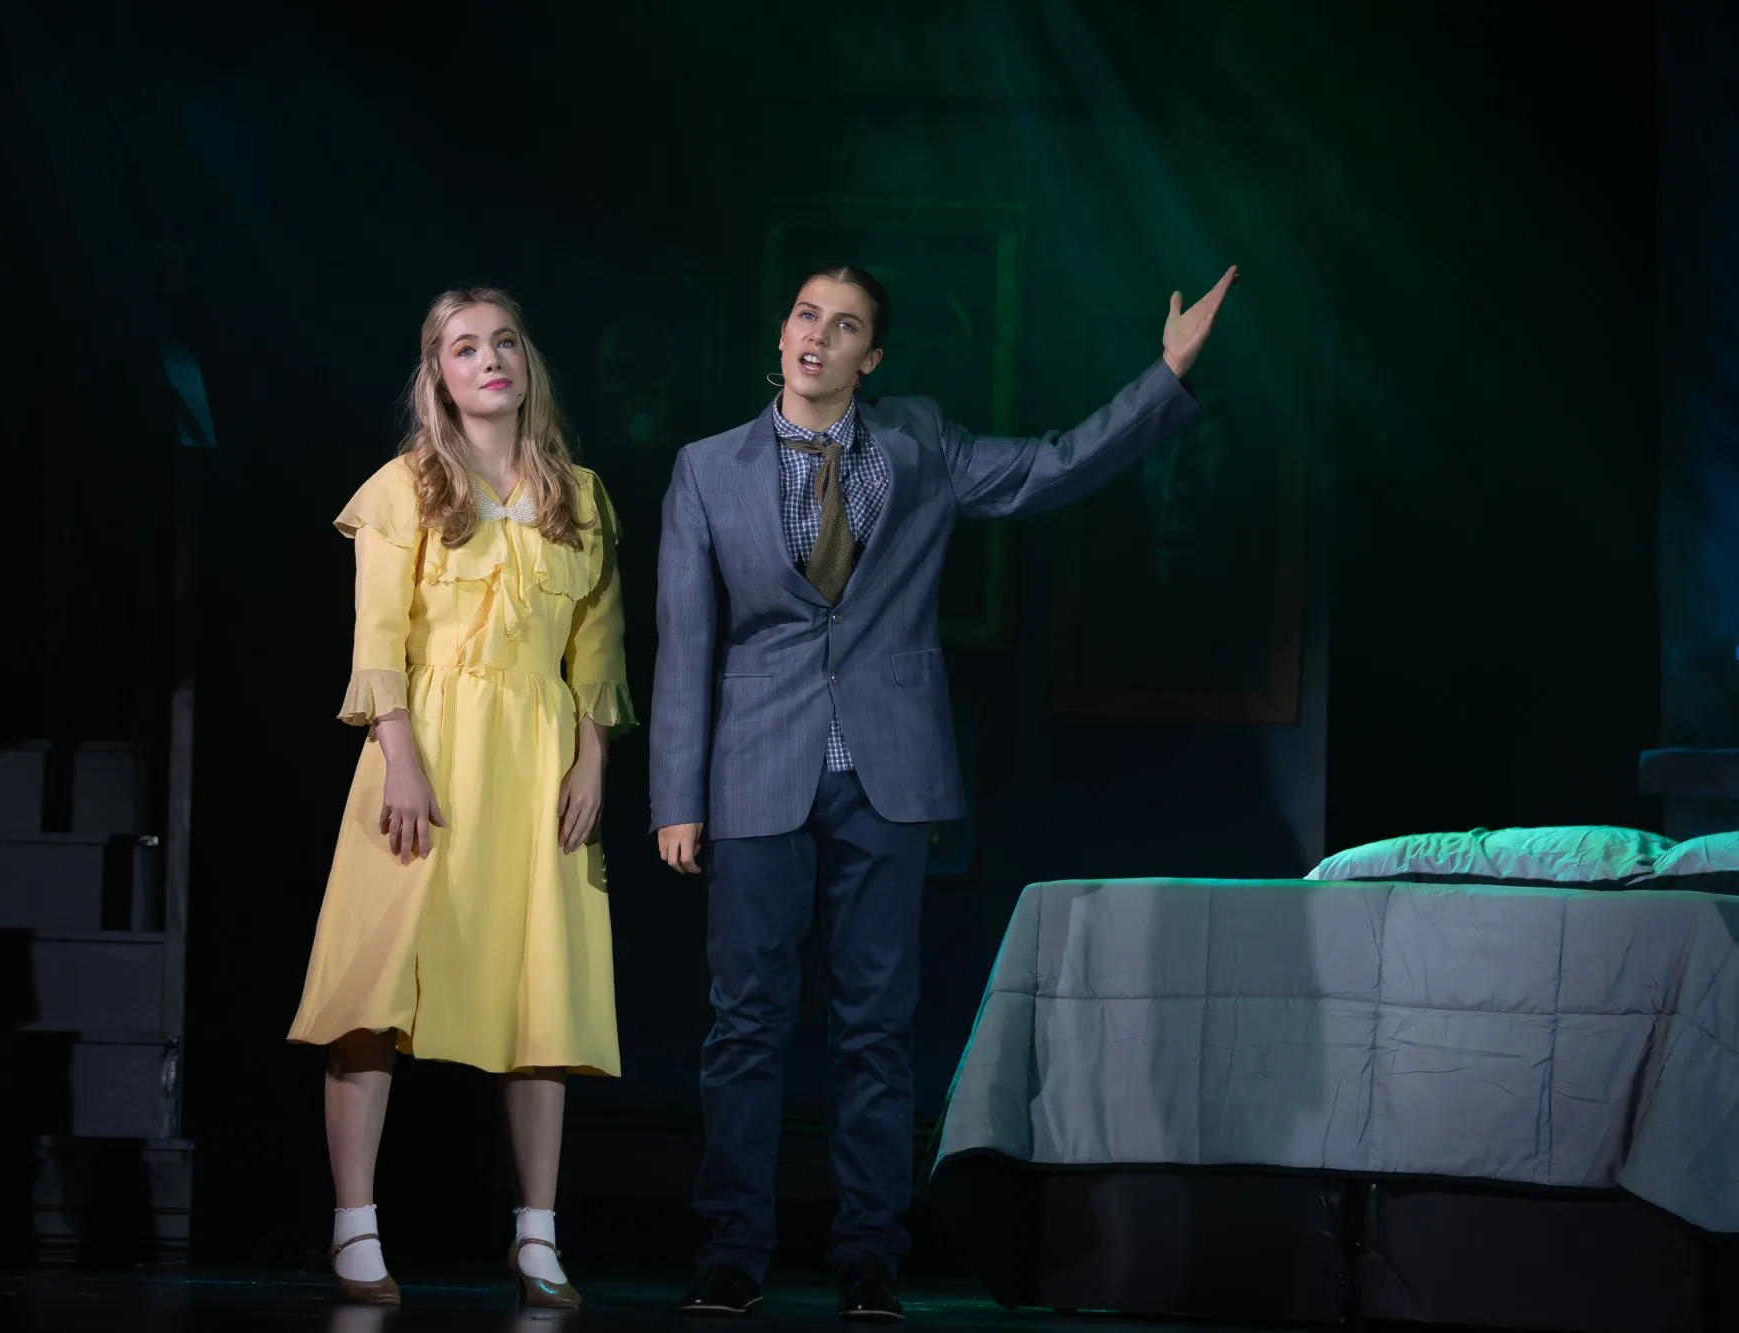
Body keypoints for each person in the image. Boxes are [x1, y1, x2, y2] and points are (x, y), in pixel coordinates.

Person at [652, 262, 1238, 1321]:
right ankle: (732, 1248)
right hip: (752, 771)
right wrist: (672, 796)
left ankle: (868, 1253)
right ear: (781, 334)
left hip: (886, 771)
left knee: (874, 1024)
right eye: (802, 316)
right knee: (745, 1022)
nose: (815, 338)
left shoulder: (920, 447)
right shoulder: (706, 469)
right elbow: (683, 641)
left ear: (869, 357)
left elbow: (1055, 466)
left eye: (843, 327)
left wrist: (1165, 372)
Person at [287, 287, 635, 1309]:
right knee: (375, 986)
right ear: (436, 373)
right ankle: (355, 1228)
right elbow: (376, 638)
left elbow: (597, 652)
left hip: (535, 761)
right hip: (423, 753)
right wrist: (398, 752)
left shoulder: (581, 495)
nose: (489, 359)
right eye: (463, 347)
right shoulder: (403, 488)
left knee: (542, 998)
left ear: (527, 362)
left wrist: (591, 760)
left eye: (505, 342)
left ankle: (537, 1236)